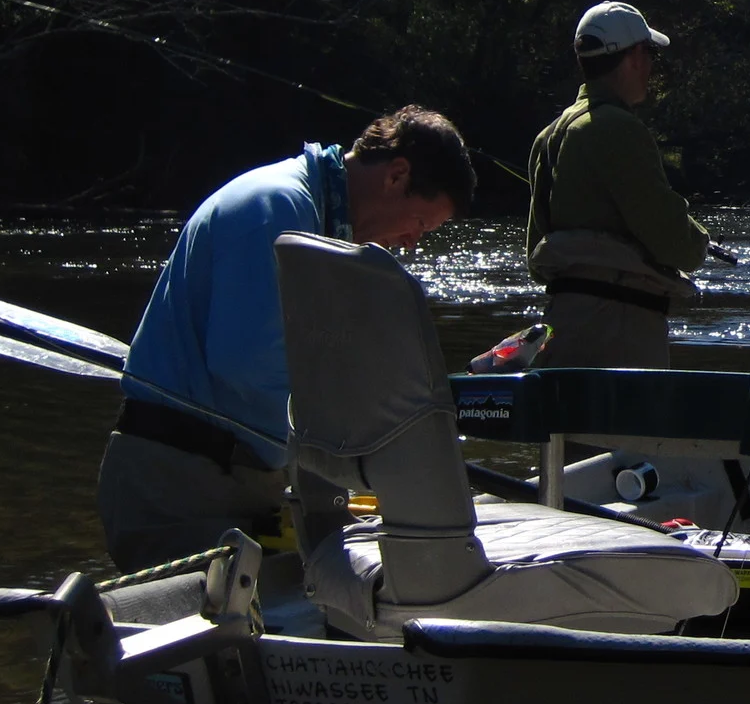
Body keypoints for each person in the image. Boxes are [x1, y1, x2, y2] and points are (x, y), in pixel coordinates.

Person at [98, 107, 476, 571]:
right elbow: (246, 365)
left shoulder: (318, 222)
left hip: (227, 478)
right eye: (420, 222)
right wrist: (374, 443)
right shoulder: (277, 209)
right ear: (396, 175)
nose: (412, 242)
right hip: (178, 487)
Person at [526, 1, 711, 368]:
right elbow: (678, 245)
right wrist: (699, 239)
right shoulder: (619, 128)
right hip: (619, 332)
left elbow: (536, 255)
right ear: (635, 56)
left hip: (560, 326)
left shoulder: (549, 135)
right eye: (651, 54)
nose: (651, 66)